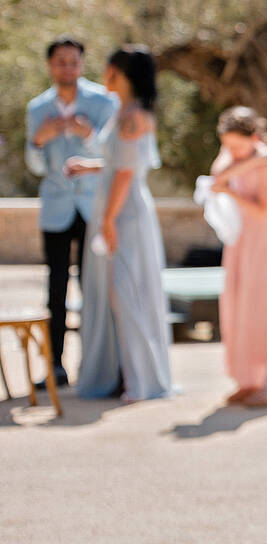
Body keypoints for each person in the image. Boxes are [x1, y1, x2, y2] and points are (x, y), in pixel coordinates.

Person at [68, 45, 174, 402]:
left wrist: (109, 221)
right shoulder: (125, 113)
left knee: (125, 291)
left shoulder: (132, 116)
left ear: (116, 72)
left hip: (124, 213)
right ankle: (123, 376)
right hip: (115, 208)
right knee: (118, 290)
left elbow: (128, 172)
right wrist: (89, 165)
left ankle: (139, 381)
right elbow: (119, 164)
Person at [25, 37, 117, 387]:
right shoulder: (37, 109)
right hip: (56, 208)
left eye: (73, 62)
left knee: (93, 286)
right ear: (50, 65)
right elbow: (35, 166)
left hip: (92, 206)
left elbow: (114, 156)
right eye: (61, 62)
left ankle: (94, 365)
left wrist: (88, 134)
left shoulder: (102, 102)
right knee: (57, 286)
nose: (68, 68)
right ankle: (55, 366)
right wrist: (39, 141)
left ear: (82, 64)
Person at [208, 106, 267, 407]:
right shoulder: (244, 157)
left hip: (264, 241)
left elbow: (262, 209)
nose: (232, 150)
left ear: (255, 137)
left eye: (237, 145)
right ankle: (248, 379)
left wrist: (231, 188)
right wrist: (238, 165)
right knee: (240, 306)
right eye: (228, 145)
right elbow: (216, 176)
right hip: (239, 242)